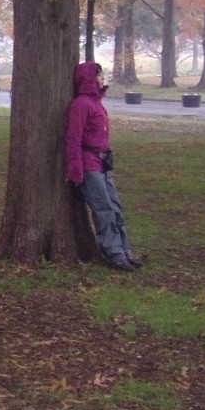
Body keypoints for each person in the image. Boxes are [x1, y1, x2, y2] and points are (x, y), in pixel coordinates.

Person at [66, 61, 141, 272]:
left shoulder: (97, 103)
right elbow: (73, 138)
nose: (102, 79)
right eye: (98, 75)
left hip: (103, 163)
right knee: (104, 210)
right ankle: (114, 254)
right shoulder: (81, 104)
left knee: (116, 208)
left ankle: (125, 252)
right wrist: (76, 168)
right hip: (89, 166)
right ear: (89, 78)